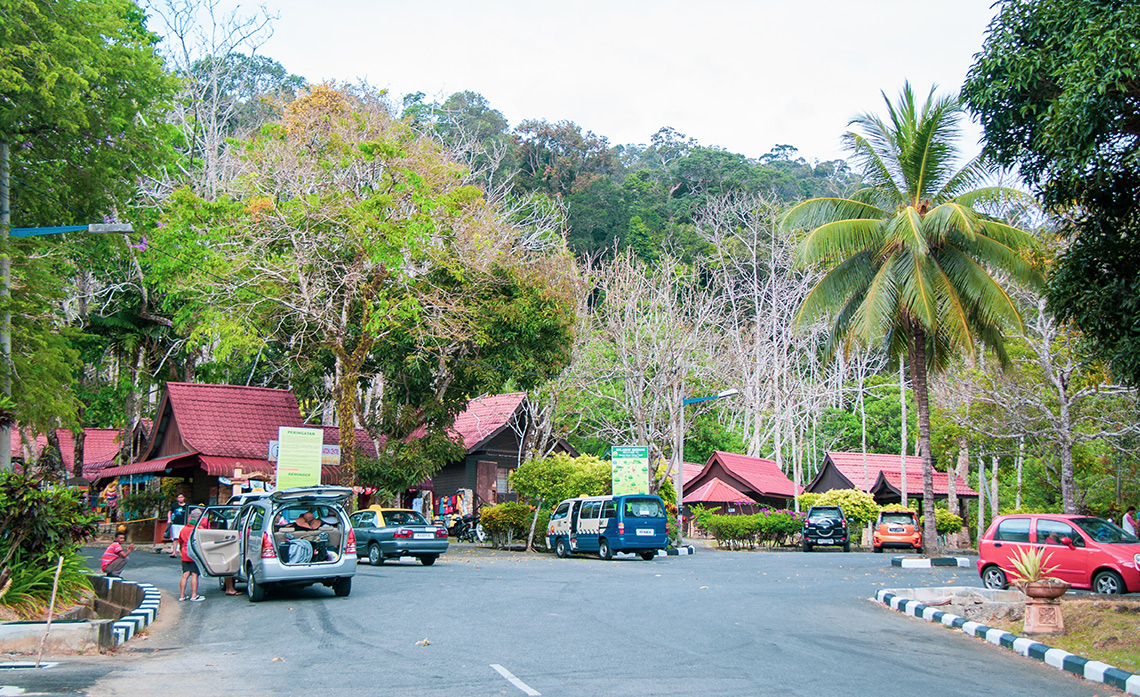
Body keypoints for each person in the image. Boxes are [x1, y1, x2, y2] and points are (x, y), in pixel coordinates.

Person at [178, 508, 204, 601]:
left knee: (185, 575)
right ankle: (194, 595)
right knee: (194, 574)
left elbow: (180, 541)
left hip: (185, 553)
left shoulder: (184, 528)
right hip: (194, 554)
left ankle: (182, 596)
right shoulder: (199, 528)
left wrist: (181, 551)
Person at [168, 492, 188, 558]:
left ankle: (181, 552)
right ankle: (174, 552)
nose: (180, 499)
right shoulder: (174, 505)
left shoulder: (186, 506)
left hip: (183, 524)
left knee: (182, 539)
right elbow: (169, 512)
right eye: (179, 497)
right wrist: (169, 519)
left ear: (184, 498)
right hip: (175, 523)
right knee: (175, 538)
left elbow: (189, 515)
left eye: (181, 497)